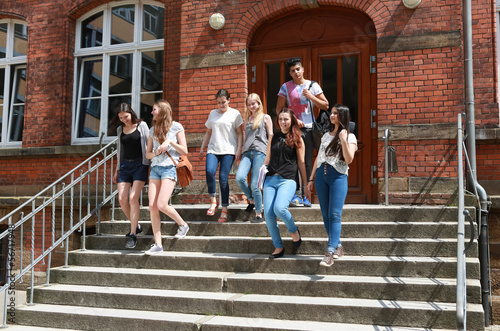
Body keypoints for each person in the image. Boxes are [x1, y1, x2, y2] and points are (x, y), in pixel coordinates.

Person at [305, 104, 357, 267]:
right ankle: (338, 246)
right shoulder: (325, 136)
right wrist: (311, 179)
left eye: (335, 113)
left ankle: (330, 252)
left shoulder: (350, 137)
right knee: (326, 215)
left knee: (335, 214)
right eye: (332, 113)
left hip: (338, 177)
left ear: (342, 116)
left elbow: (349, 160)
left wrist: (343, 139)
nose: (331, 115)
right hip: (321, 175)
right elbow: (319, 158)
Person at [276, 57, 329, 207]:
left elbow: (325, 105)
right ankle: (294, 194)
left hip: (308, 130)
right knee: (291, 162)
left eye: (298, 69)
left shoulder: (313, 85)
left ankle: (307, 196)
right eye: (293, 71)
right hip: (292, 129)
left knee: (305, 163)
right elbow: (279, 110)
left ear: (303, 69)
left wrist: (311, 96)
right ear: (290, 73)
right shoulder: (286, 87)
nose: (296, 72)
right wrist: (292, 120)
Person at [144, 99, 190, 255]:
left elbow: (184, 150)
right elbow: (148, 154)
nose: (152, 112)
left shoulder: (177, 127)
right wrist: (156, 152)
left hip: (169, 168)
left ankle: (183, 224)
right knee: (152, 205)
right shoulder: (152, 130)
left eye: (154, 109)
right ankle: (158, 244)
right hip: (155, 169)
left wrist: (169, 142)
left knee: (162, 204)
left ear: (163, 111)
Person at [262, 108, 307, 259]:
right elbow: (267, 159)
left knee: (279, 208)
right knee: (268, 214)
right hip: (270, 179)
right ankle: (278, 247)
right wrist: (260, 178)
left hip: (288, 179)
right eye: (280, 119)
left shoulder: (298, 139)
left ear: (292, 120)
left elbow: (301, 163)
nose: (282, 122)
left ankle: (294, 230)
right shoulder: (273, 137)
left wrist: (306, 185)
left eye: (286, 119)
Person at [199, 89, 243, 223]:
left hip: (229, 150)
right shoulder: (213, 113)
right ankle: (213, 200)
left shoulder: (235, 114)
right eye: (218, 103)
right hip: (213, 149)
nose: (221, 105)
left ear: (229, 100)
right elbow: (208, 132)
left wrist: (238, 150)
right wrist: (202, 148)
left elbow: (240, 133)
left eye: (223, 102)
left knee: (223, 179)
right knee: (209, 171)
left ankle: (224, 209)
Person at [112, 103, 149, 249]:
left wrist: (150, 165)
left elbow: (148, 144)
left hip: (140, 164)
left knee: (133, 197)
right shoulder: (120, 129)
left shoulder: (142, 125)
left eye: (125, 116)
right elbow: (119, 150)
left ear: (131, 113)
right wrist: (117, 170)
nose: (124, 120)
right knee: (122, 199)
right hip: (125, 166)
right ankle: (137, 225)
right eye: (121, 118)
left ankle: (133, 234)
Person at [235, 93, 273, 223]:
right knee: (239, 178)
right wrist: (239, 150)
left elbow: (271, 136)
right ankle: (251, 199)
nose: (251, 106)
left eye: (253, 103)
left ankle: (258, 214)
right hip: (247, 152)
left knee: (255, 184)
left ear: (258, 103)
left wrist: (268, 155)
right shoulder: (247, 119)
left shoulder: (265, 117)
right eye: (249, 104)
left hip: (259, 152)